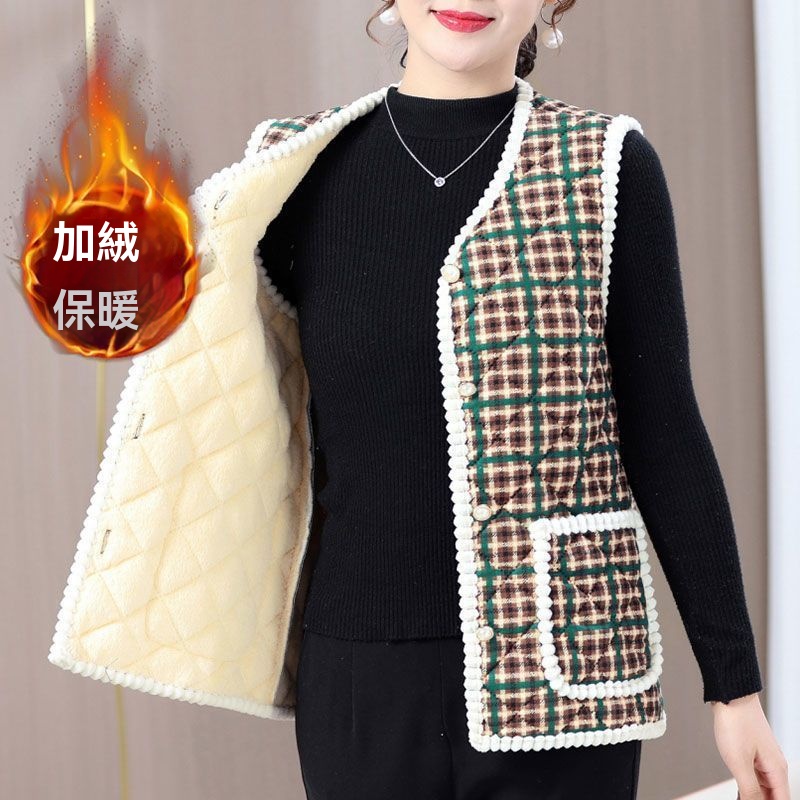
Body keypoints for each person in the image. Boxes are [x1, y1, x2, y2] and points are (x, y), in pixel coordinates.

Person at [252, 1, 790, 799]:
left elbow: (666, 433)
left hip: (565, 676)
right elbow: (235, 407)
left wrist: (734, 688)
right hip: (361, 677)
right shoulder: (292, 171)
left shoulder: (605, 166)